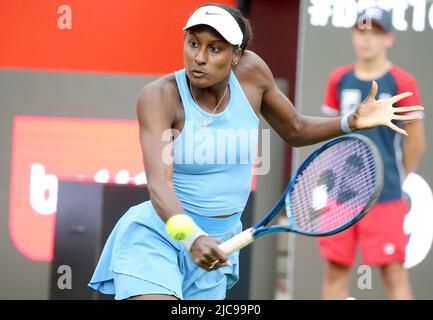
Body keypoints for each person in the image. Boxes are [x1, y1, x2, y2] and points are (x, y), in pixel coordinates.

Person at [88, 4, 423, 300]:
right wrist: (190, 237)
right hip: (161, 235)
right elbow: (159, 184)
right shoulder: (158, 96)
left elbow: (294, 129)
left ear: (237, 55)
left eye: (215, 48)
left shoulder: (251, 74)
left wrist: (349, 121)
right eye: (193, 44)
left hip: (218, 246)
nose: (200, 58)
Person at [319, 7, 426, 300]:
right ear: (353, 35)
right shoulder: (338, 79)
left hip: (385, 194)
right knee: (335, 270)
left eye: (375, 32)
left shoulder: (403, 82)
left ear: (388, 38)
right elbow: (330, 134)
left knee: (393, 272)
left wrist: (392, 179)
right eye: (361, 30)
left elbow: (416, 143)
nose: (367, 39)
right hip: (340, 194)